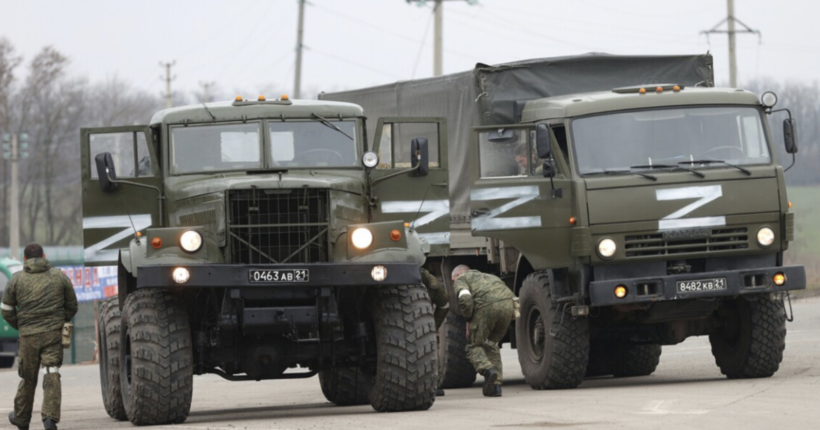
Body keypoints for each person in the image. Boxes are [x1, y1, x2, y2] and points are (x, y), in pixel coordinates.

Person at [1, 243, 78, 430]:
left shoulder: (16, 280)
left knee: (28, 377)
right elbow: (72, 306)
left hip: (28, 336)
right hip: (53, 335)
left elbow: (6, 310)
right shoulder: (60, 277)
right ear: (43, 256)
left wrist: (21, 325)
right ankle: (50, 419)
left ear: (25, 259)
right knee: (52, 372)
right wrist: (59, 321)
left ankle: (21, 419)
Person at [451, 264, 516, 397]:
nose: (454, 284)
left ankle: (488, 371)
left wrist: (468, 318)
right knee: (491, 345)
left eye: (453, 280)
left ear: (457, 275)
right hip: (509, 307)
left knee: (474, 347)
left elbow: (465, 298)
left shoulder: (462, 279)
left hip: (487, 307)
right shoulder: (490, 277)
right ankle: (496, 387)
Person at [420, 267, 450, 396]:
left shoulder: (433, 285)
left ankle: (435, 384)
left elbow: (444, 305)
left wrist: (433, 326)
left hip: (424, 318)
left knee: (431, 347)